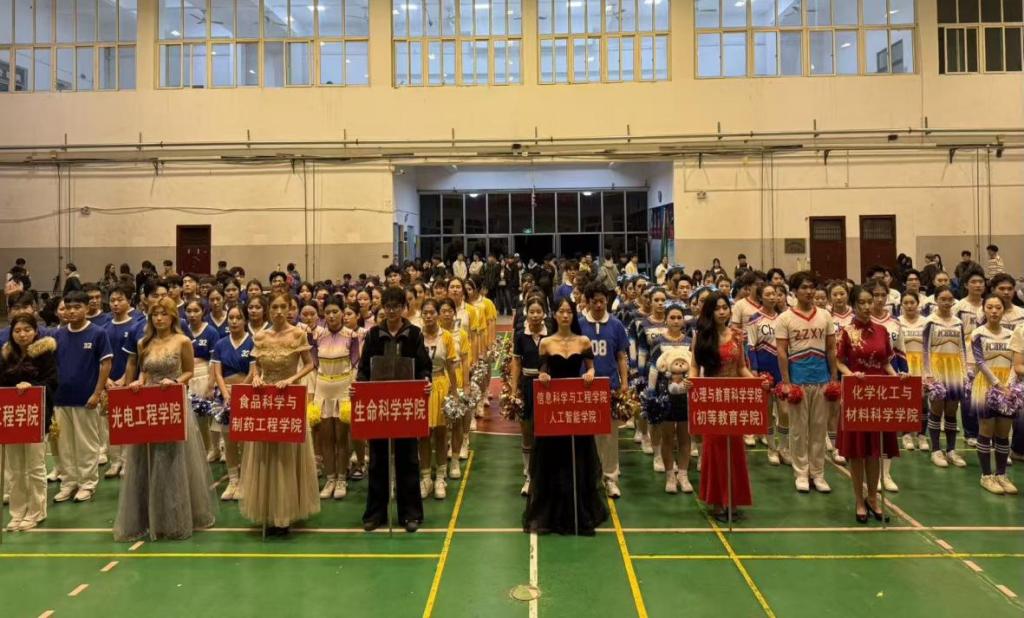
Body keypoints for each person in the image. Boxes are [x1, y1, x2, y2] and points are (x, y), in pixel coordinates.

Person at [115, 297, 217, 541]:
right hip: (149, 406)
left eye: (164, 314)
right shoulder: (144, 342)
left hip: (172, 403)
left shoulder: (182, 341)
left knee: (171, 459)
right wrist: (139, 382)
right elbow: (144, 372)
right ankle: (146, 517)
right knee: (146, 459)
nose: (159, 318)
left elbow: (189, 371)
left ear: (173, 316)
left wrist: (175, 381)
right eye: (155, 314)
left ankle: (174, 517)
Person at [523, 297, 607, 536]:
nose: (565, 315)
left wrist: (590, 374)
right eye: (561, 311)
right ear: (555, 315)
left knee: (578, 460)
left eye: (569, 311)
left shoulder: (583, 341)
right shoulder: (546, 343)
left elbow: (591, 367)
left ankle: (578, 513)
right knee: (553, 461)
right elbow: (543, 370)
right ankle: (553, 514)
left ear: (573, 314)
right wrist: (542, 376)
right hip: (554, 411)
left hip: (576, 409)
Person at [239, 292, 319, 536]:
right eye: (274, 307)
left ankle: (285, 515)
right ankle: (268, 512)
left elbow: (309, 364)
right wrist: (257, 378)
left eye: (284, 306)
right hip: (266, 401)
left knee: (286, 455)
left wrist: (292, 379)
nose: (279, 311)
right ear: (268, 310)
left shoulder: (298, 334)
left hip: (289, 399)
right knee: (266, 454)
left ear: (290, 308)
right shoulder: (260, 336)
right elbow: (256, 366)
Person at [357, 286, 432, 533]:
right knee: (377, 460)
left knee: (407, 459)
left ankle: (410, 514)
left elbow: (424, 367)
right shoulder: (373, 335)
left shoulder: (414, 334)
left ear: (404, 308)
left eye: (396, 307)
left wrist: (425, 381)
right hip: (379, 407)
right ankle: (375, 514)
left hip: (405, 406)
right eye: (388, 307)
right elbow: (363, 370)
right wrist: (360, 386)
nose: (391, 311)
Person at [835, 285, 904, 524]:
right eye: (861, 303)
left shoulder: (882, 331)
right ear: (853, 305)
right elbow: (838, 362)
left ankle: (873, 498)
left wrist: (898, 377)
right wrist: (851, 374)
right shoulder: (846, 332)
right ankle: (858, 499)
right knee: (857, 453)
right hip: (856, 395)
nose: (866, 307)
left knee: (875, 451)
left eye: (869, 302)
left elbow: (885, 363)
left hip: (878, 396)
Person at [691, 291, 755, 523]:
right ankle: (718, 501)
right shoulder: (701, 337)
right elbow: (694, 367)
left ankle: (733, 500)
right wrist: (692, 384)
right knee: (715, 450)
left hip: (734, 400)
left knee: (735, 450)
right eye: (717, 308)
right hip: (711, 400)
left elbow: (742, 368)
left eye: (725, 307)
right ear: (709, 312)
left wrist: (758, 383)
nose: (721, 312)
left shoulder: (737, 335)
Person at [774, 271, 837, 494]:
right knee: (798, 430)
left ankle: (818, 473)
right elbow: (782, 352)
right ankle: (801, 473)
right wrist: (786, 382)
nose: (809, 291)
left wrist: (833, 378)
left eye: (812, 287)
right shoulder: (785, 318)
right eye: (804, 287)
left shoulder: (825, 316)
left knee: (819, 429)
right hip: (797, 380)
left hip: (821, 379)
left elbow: (831, 348)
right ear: (794, 291)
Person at [53, 290, 113, 504]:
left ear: (87, 308)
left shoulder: (98, 333)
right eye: (68, 307)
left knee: (87, 444)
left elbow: (106, 364)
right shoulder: (58, 335)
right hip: (61, 399)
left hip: (86, 399)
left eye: (77, 307)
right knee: (65, 445)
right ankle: (68, 483)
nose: (71, 311)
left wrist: (97, 393)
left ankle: (87, 484)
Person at [1, 315, 57, 531]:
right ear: (11, 333)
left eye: (27, 330)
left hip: (36, 417)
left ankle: (36, 511)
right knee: (15, 469)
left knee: (35, 467)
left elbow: (52, 382)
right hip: (12, 419)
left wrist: (31, 386)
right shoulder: (6, 355)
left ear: (35, 331)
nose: (22, 334)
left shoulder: (45, 354)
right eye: (17, 331)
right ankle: (17, 512)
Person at [578, 283, 630, 498]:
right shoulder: (579, 325)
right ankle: (589, 479)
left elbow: (621, 356)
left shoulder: (616, 325)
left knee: (609, 437)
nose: (599, 305)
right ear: (588, 302)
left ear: (607, 301)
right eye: (594, 301)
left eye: (602, 301)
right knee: (586, 437)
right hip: (584, 389)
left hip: (610, 387)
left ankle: (610, 478)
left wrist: (624, 383)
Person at [312, 299, 362, 501]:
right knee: (326, 438)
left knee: (341, 438)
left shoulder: (352, 336)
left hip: (343, 388)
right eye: (328, 312)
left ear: (342, 313)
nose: (331, 316)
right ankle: (330, 478)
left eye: (335, 311)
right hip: (323, 388)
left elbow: (355, 362)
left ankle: (342, 478)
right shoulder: (317, 336)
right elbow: (314, 361)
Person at [967, 296, 1016, 495]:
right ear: (984, 310)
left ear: (1003, 310)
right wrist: (997, 384)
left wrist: (1010, 384)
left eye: (998, 307)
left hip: (1008, 386)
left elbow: (1015, 361)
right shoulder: (978, 334)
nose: (994, 311)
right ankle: (986, 475)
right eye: (990, 307)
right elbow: (980, 362)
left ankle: (1001, 474)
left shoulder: (1012, 334)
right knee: (986, 430)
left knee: (1004, 432)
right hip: (986, 384)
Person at [646, 303, 694, 494]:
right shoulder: (658, 341)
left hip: (686, 396)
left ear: (683, 320)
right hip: (665, 396)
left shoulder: (690, 341)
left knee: (684, 436)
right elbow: (653, 368)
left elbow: (696, 367)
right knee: (667, 437)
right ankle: (670, 476)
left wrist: (692, 382)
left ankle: (683, 474)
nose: (675, 321)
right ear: (666, 320)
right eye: (672, 317)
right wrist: (651, 393)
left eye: (679, 317)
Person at [210, 305, 254, 501]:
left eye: (238, 317)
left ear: (245, 321)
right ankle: (233, 480)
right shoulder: (221, 344)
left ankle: (245, 480)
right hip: (225, 396)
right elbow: (217, 373)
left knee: (244, 439)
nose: (234, 321)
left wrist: (240, 391)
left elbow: (253, 372)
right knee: (228, 440)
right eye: (231, 318)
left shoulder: (252, 342)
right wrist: (225, 393)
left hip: (245, 396)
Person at [922, 286, 969, 469]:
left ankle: (951, 450)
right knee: (937, 408)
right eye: (943, 299)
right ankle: (936, 450)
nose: (947, 302)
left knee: (951, 410)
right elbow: (925, 349)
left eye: (950, 299)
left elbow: (962, 348)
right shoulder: (930, 321)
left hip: (955, 369)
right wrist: (928, 374)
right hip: (937, 368)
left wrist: (964, 372)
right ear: (936, 300)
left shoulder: (958, 322)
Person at [418, 299, 459, 501]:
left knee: (441, 434)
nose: (428, 316)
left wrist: (455, 392)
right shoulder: (416, 336)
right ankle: (426, 477)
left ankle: (440, 477)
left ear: (437, 314)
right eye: (425, 312)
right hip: (421, 388)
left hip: (441, 384)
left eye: (432, 312)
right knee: (423, 435)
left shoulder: (447, 337)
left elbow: (451, 366)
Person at [509, 296, 550, 496]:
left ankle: (545, 477)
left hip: (547, 387)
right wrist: (514, 388)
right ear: (526, 313)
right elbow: (516, 363)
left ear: (544, 314)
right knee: (527, 431)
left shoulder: (551, 334)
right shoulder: (520, 336)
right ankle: (529, 476)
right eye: (531, 311)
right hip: (527, 385)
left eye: (538, 311)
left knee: (546, 432)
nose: (535, 315)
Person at [747, 283, 786, 465]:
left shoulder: (784, 318)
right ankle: (771, 448)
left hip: (782, 369)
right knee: (768, 411)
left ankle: (784, 448)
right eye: (768, 294)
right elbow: (751, 346)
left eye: (775, 294)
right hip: (764, 369)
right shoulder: (754, 319)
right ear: (760, 297)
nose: (772, 297)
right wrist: (755, 370)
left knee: (785, 411)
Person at [183, 299, 221, 464]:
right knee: (196, 418)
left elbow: (214, 360)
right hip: (188, 376)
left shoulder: (211, 332)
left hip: (205, 374)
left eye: (196, 311)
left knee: (210, 415)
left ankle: (216, 448)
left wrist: (211, 383)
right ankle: (203, 448)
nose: (192, 315)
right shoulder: (183, 331)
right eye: (189, 311)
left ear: (203, 312)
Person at [898, 291, 930, 452]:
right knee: (905, 400)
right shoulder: (897, 322)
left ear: (918, 304)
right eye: (906, 303)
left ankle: (921, 435)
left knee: (923, 401)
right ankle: (906, 434)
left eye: (912, 302)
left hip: (922, 366)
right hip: (904, 364)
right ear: (901, 305)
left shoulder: (926, 322)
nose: (909, 306)